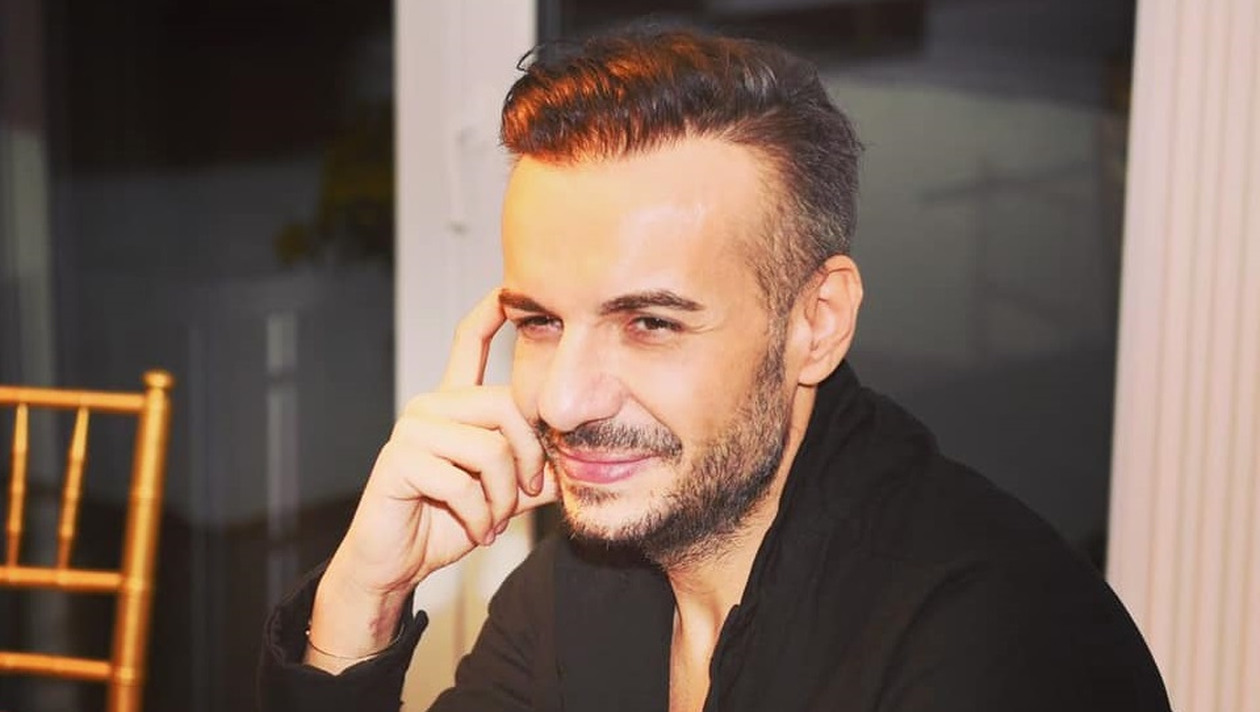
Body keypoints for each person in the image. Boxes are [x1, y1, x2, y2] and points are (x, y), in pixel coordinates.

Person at [258, 24, 1170, 712]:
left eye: (650, 323)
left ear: (816, 322)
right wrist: (364, 599)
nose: (565, 401)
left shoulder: (1000, 645)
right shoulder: (583, 581)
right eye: (539, 322)